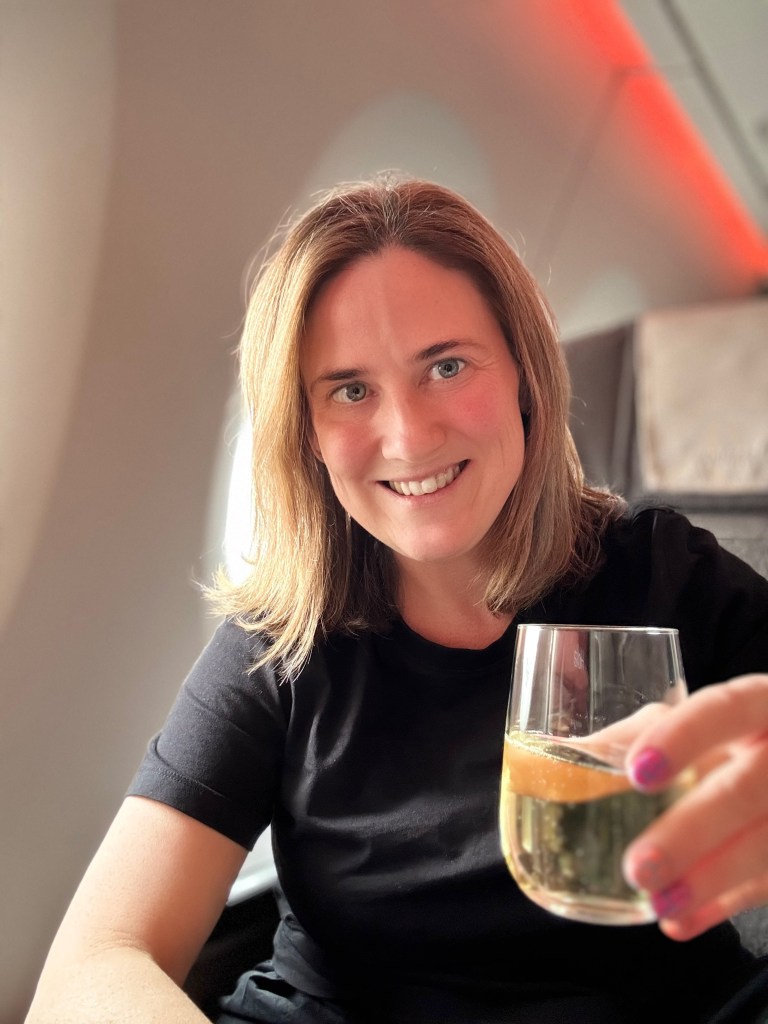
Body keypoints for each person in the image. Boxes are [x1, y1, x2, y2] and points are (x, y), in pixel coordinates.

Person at [26, 177, 768, 1024]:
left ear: (525, 372)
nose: (409, 437)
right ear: (303, 428)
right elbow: (97, 960)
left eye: (447, 367)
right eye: (350, 389)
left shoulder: (666, 577)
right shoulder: (283, 638)